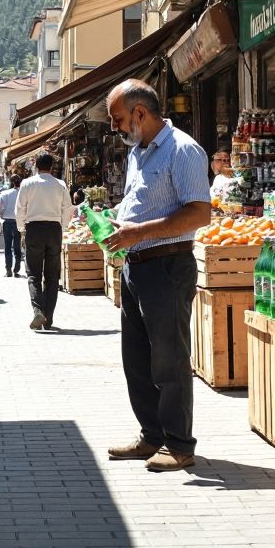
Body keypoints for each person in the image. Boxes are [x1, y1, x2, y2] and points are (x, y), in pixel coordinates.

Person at [100, 79, 210, 473]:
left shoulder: (183, 150)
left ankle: (180, 444)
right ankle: (152, 435)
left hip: (167, 265)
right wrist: (116, 225)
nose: (114, 127)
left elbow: (199, 213)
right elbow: (142, 207)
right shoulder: (137, 154)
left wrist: (139, 232)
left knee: (170, 359)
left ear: (140, 113)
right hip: (136, 265)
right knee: (138, 357)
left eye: (117, 119)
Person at [15, 154, 73, 331]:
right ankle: (48, 318)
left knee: (33, 274)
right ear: (52, 167)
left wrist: (21, 228)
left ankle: (38, 310)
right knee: (52, 276)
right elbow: (68, 209)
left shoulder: (27, 183)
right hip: (54, 229)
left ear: (36, 167)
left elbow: (20, 209)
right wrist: (61, 226)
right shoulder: (60, 185)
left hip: (34, 229)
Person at [0, 175, 22, 277]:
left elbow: (1, 209)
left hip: (7, 222)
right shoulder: (22, 194)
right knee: (17, 246)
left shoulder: (4, 194)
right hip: (18, 222)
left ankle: (8, 269)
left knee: (7, 247)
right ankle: (16, 269)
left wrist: (2, 219)